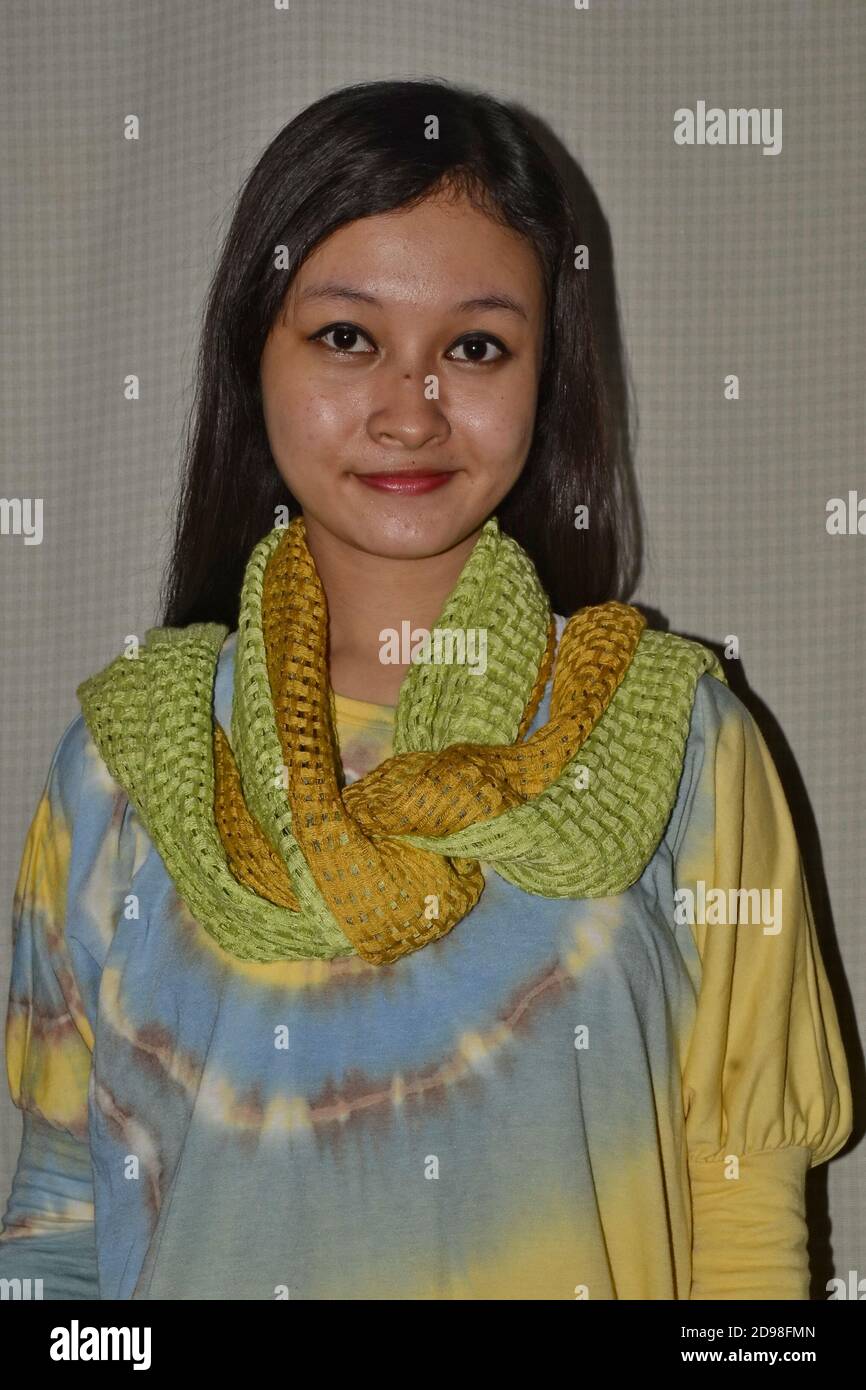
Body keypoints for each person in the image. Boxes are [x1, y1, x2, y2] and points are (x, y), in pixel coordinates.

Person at [0, 78, 852, 1301]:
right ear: (257, 354)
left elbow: (750, 1233)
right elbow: (60, 1225)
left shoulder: (679, 742)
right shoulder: (123, 763)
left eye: (474, 346)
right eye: (347, 336)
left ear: (545, 377)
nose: (412, 408)